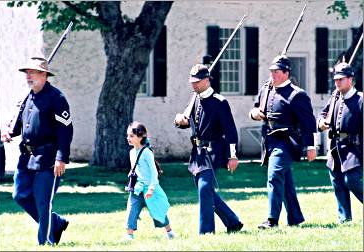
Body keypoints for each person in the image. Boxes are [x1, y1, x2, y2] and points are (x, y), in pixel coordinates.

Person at [0, 57, 73, 245]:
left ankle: (45, 243)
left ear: (43, 75)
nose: (28, 76)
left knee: (43, 202)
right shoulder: (26, 97)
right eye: (27, 73)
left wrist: (61, 157)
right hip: (26, 157)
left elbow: (65, 130)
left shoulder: (56, 98)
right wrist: (6, 130)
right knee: (20, 195)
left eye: (32, 72)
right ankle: (55, 222)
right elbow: (17, 126)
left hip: (48, 158)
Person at [174, 64, 243, 235]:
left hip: (213, 151)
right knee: (207, 191)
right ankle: (232, 221)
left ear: (207, 80)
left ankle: (206, 232)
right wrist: (179, 120)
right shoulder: (195, 98)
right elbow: (188, 121)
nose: (194, 85)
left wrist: (232, 156)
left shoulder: (220, 102)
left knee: (205, 188)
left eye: (197, 82)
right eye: (192, 82)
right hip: (197, 152)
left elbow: (231, 131)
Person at [249, 55, 317, 229]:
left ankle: (272, 219)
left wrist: (311, 146)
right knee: (285, 180)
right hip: (269, 140)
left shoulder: (297, 94)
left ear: (286, 73)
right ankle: (295, 217)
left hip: (287, 141)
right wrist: (254, 114)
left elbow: (308, 122)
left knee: (274, 176)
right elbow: (256, 108)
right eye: (271, 71)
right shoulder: (266, 89)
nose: (273, 74)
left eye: (277, 71)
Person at [317, 61, 363, 224]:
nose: (337, 82)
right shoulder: (335, 96)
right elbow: (323, 114)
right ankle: (344, 219)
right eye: (336, 79)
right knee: (337, 182)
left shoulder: (360, 100)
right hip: (336, 147)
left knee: (351, 181)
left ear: (351, 79)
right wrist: (321, 123)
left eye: (341, 79)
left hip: (354, 148)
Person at [124, 121, 175, 240]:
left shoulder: (146, 152)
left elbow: (154, 172)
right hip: (137, 188)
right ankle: (129, 235)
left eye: (131, 136)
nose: (128, 138)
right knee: (131, 210)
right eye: (128, 135)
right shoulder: (131, 152)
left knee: (157, 210)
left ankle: (170, 232)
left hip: (149, 189)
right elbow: (135, 168)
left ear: (141, 137)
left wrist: (151, 189)